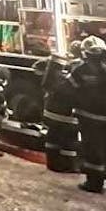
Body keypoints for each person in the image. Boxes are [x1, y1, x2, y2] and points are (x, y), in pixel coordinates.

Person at [68, 37, 106, 192]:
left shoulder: (82, 69)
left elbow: (68, 89)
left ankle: (94, 183)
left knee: (93, 149)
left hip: (91, 117)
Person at [34, 46, 79, 174]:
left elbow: (37, 67)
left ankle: (52, 164)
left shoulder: (51, 75)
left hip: (51, 114)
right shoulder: (71, 75)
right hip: (67, 116)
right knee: (69, 142)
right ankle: (69, 166)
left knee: (52, 139)